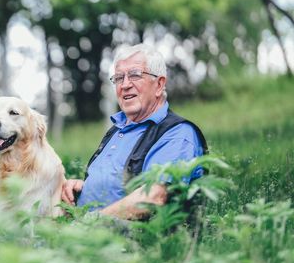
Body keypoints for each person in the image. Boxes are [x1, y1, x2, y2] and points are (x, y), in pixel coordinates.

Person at [61, 44, 207, 220]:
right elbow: (117, 187)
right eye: (119, 78)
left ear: (159, 85)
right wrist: (82, 188)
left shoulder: (177, 133)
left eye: (135, 75)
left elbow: (154, 197)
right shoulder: (117, 130)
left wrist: (89, 223)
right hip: (90, 233)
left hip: (136, 241)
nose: (125, 85)